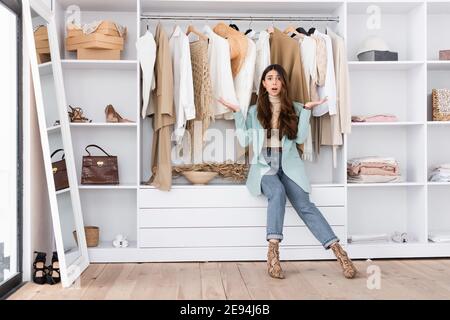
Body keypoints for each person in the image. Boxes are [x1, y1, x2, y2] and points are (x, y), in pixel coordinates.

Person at [218, 64, 357, 279]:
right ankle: (273, 255)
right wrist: (238, 113)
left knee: (305, 205)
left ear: (283, 83)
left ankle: (340, 254)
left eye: (278, 78)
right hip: (265, 163)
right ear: (263, 84)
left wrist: (308, 111)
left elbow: (300, 139)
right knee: (278, 193)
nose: (274, 82)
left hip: (290, 163)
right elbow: (245, 140)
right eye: (269, 78)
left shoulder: (296, 108)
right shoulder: (255, 112)